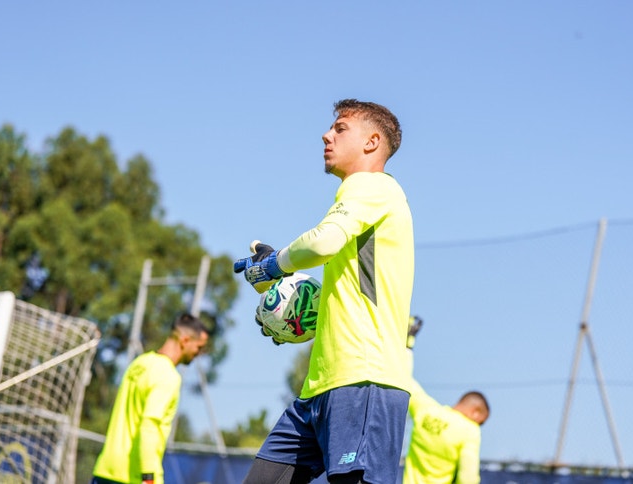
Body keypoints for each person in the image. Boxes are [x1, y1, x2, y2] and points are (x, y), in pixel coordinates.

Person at [234, 99, 413, 484]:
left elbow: (321, 244)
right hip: (321, 386)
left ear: (372, 142)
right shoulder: (361, 197)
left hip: (364, 380)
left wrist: (275, 265)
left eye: (341, 128)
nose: (327, 135)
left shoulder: (373, 186)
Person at [92, 313, 210, 484]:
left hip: (104, 470)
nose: (198, 354)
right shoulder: (168, 375)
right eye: (198, 347)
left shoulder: (140, 363)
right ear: (185, 341)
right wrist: (149, 477)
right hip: (132, 476)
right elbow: (149, 426)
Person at [403, 316, 490, 484]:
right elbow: (468, 478)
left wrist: (408, 347)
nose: (479, 426)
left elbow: (406, 382)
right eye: (481, 422)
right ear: (476, 412)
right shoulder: (470, 431)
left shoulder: (425, 410)